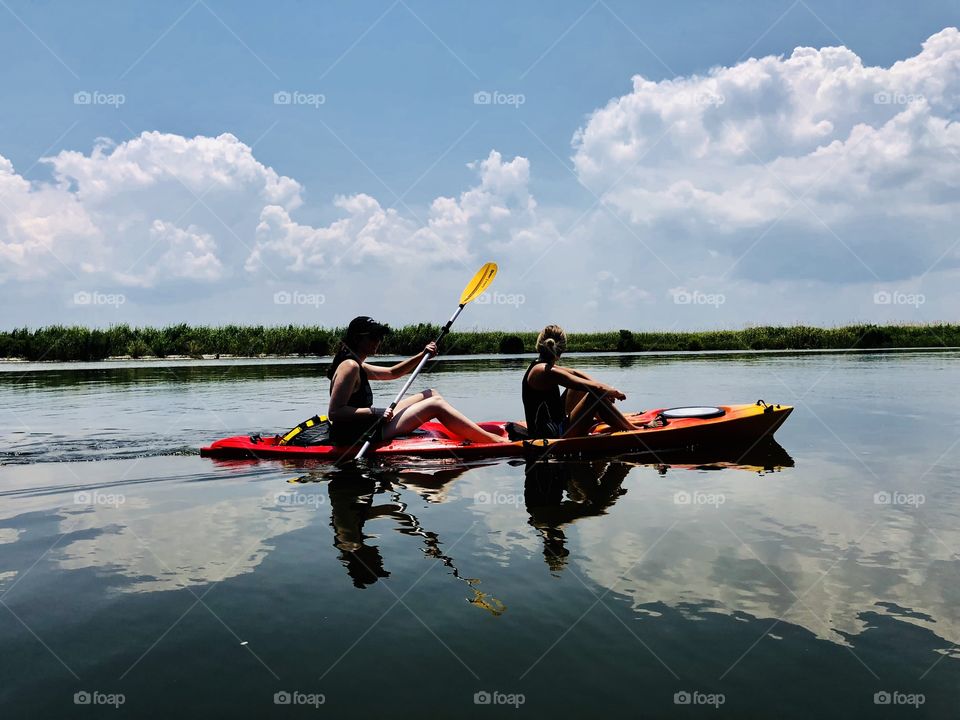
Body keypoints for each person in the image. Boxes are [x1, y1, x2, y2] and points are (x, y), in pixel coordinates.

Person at [327, 316, 508, 446]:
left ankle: (466, 431)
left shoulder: (356, 364)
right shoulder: (349, 366)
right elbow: (335, 412)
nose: (378, 341)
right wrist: (375, 412)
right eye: (373, 337)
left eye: (380, 337)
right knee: (435, 405)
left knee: (430, 394)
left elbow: (392, 373)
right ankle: (495, 441)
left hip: (369, 424)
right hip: (357, 434)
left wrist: (422, 355)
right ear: (358, 338)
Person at [518, 324, 636, 439]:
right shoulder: (545, 371)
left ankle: (602, 414)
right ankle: (633, 429)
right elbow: (596, 389)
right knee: (595, 396)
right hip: (552, 434)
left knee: (579, 389)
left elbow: (575, 373)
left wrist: (605, 390)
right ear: (562, 349)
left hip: (553, 425)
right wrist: (613, 392)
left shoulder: (540, 365)